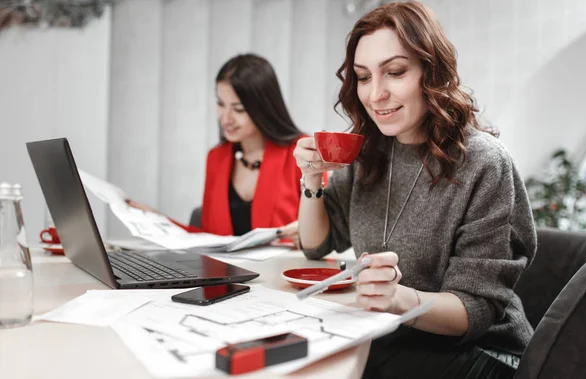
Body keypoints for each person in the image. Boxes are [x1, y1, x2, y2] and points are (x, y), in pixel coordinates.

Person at [293, 2, 536, 379]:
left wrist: (398, 297)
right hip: (394, 335)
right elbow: (315, 244)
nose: (375, 95)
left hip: (484, 353)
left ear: (431, 71)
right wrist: (311, 178)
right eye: (363, 76)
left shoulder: (484, 163)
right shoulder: (370, 151)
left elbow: (473, 310)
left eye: (394, 72)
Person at [131, 54, 313, 246]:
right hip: (226, 273)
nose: (226, 119)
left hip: (282, 271)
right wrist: (158, 221)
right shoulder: (217, 158)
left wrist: (310, 234)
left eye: (238, 109)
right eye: (220, 104)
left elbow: (324, 231)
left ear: (264, 108)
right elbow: (209, 238)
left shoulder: (302, 153)